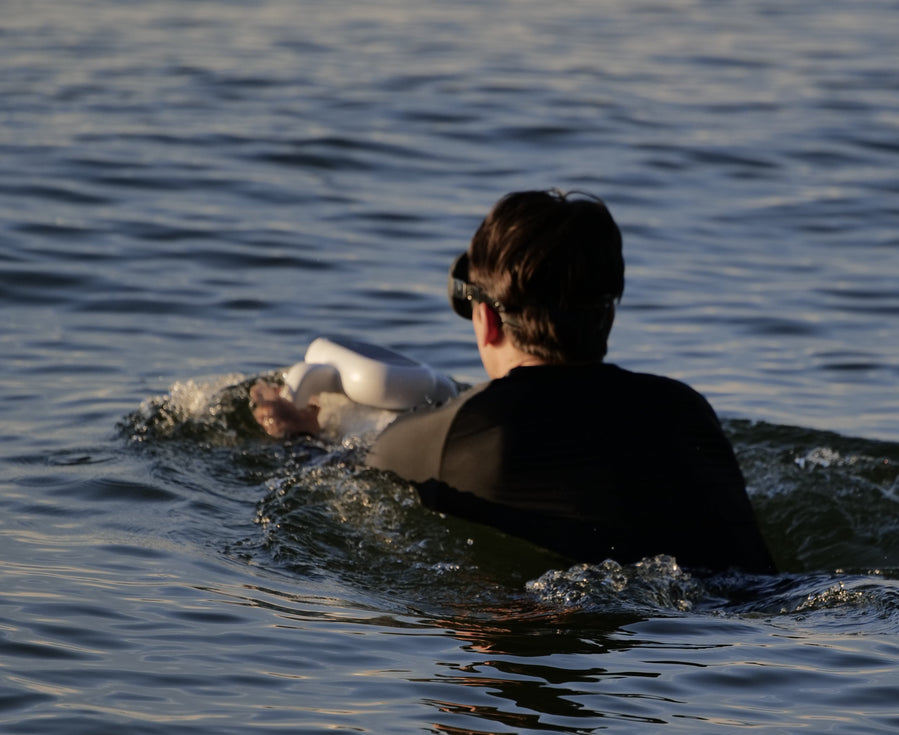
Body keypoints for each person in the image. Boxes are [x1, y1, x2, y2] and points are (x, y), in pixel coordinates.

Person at [251, 190, 775, 574]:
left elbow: (338, 480)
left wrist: (295, 436)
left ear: (486, 319)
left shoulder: (463, 432)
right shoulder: (683, 409)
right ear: (608, 316)